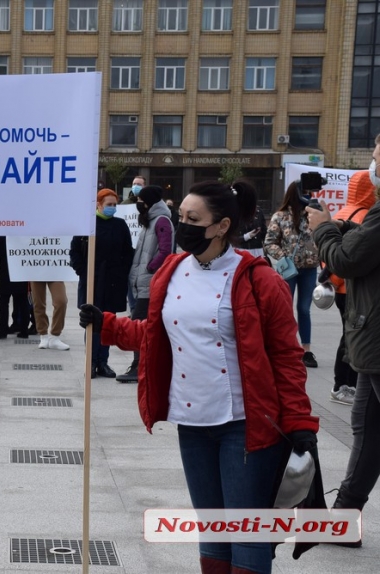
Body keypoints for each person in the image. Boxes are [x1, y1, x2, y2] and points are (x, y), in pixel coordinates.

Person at [81, 180, 318, 574]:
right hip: (191, 424)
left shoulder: (259, 279)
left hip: (245, 427)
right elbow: (156, 335)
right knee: (212, 533)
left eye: (193, 219)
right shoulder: (171, 272)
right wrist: (106, 324)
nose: (183, 226)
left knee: (247, 538)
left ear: (222, 225)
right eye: (180, 217)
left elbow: (286, 358)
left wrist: (298, 421)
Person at [309, 137, 380, 534]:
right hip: (371, 339)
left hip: (377, 336)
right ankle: (342, 519)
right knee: (366, 426)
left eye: (375, 155)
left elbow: (348, 260)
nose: (371, 163)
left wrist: (323, 231)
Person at [70, 188, 134, 377]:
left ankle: (103, 362)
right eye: (109, 205)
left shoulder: (120, 225)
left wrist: (121, 272)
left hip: (113, 282)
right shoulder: (87, 225)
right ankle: (90, 362)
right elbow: (74, 252)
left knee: (107, 321)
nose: (112, 208)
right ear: (98, 205)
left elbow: (127, 252)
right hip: (92, 281)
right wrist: (84, 272)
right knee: (91, 321)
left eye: (114, 205)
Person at [325, 170, 376, 405]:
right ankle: (344, 384)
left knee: (347, 336)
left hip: (338, 285)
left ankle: (343, 384)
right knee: (350, 338)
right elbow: (350, 257)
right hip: (354, 288)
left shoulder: (345, 211)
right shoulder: (366, 213)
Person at [120, 185, 175, 381]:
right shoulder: (150, 221)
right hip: (143, 282)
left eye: (141, 200)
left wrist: (149, 269)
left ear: (149, 201)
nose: (138, 203)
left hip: (149, 283)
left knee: (139, 324)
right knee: (142, 324)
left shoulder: (161, 221)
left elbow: (165, 250)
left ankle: (138, 366)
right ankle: (144, 365)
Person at [263, 181, 321, 368]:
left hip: (309, 269)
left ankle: (306, 350)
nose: (309, 194)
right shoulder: (280, 216)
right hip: (289, 270)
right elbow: (269, 242)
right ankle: (285, 347)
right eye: (305, 191)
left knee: (304, 309)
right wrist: (283, 257)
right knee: (285, 310)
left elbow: (322, 237)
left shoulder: (314, 214)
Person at [0, 236, 31, 339]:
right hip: (21, 268)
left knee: (4, 301)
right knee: (22, 301)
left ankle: (2, 330)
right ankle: (24, 330)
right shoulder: (24, 231)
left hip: (6, 269)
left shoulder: (2, 232)